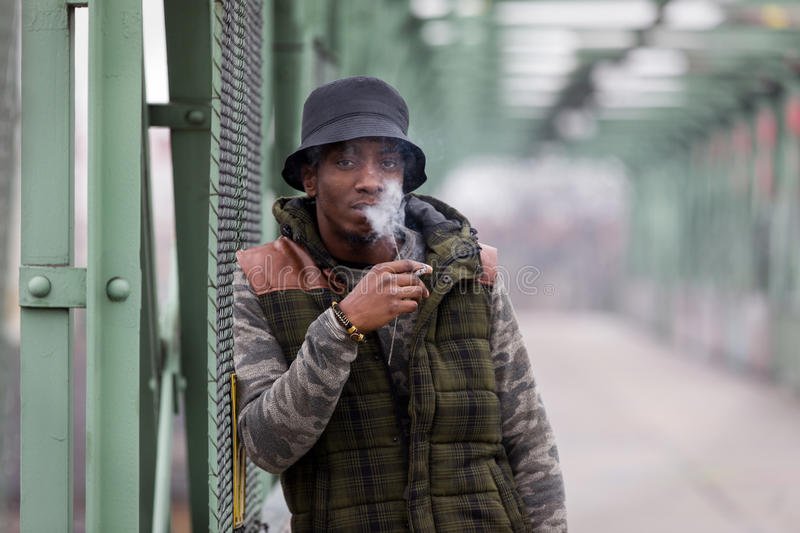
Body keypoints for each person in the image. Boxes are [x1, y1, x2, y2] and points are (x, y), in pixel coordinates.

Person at [233, 76, 567, 532]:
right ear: (310, 178)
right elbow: (268, 446)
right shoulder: (263, 278)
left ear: (404, 178)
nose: (369, 181)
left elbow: (528, 435)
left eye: (387, 162)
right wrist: (344, 325)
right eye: (346, 161)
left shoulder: (471, 270)